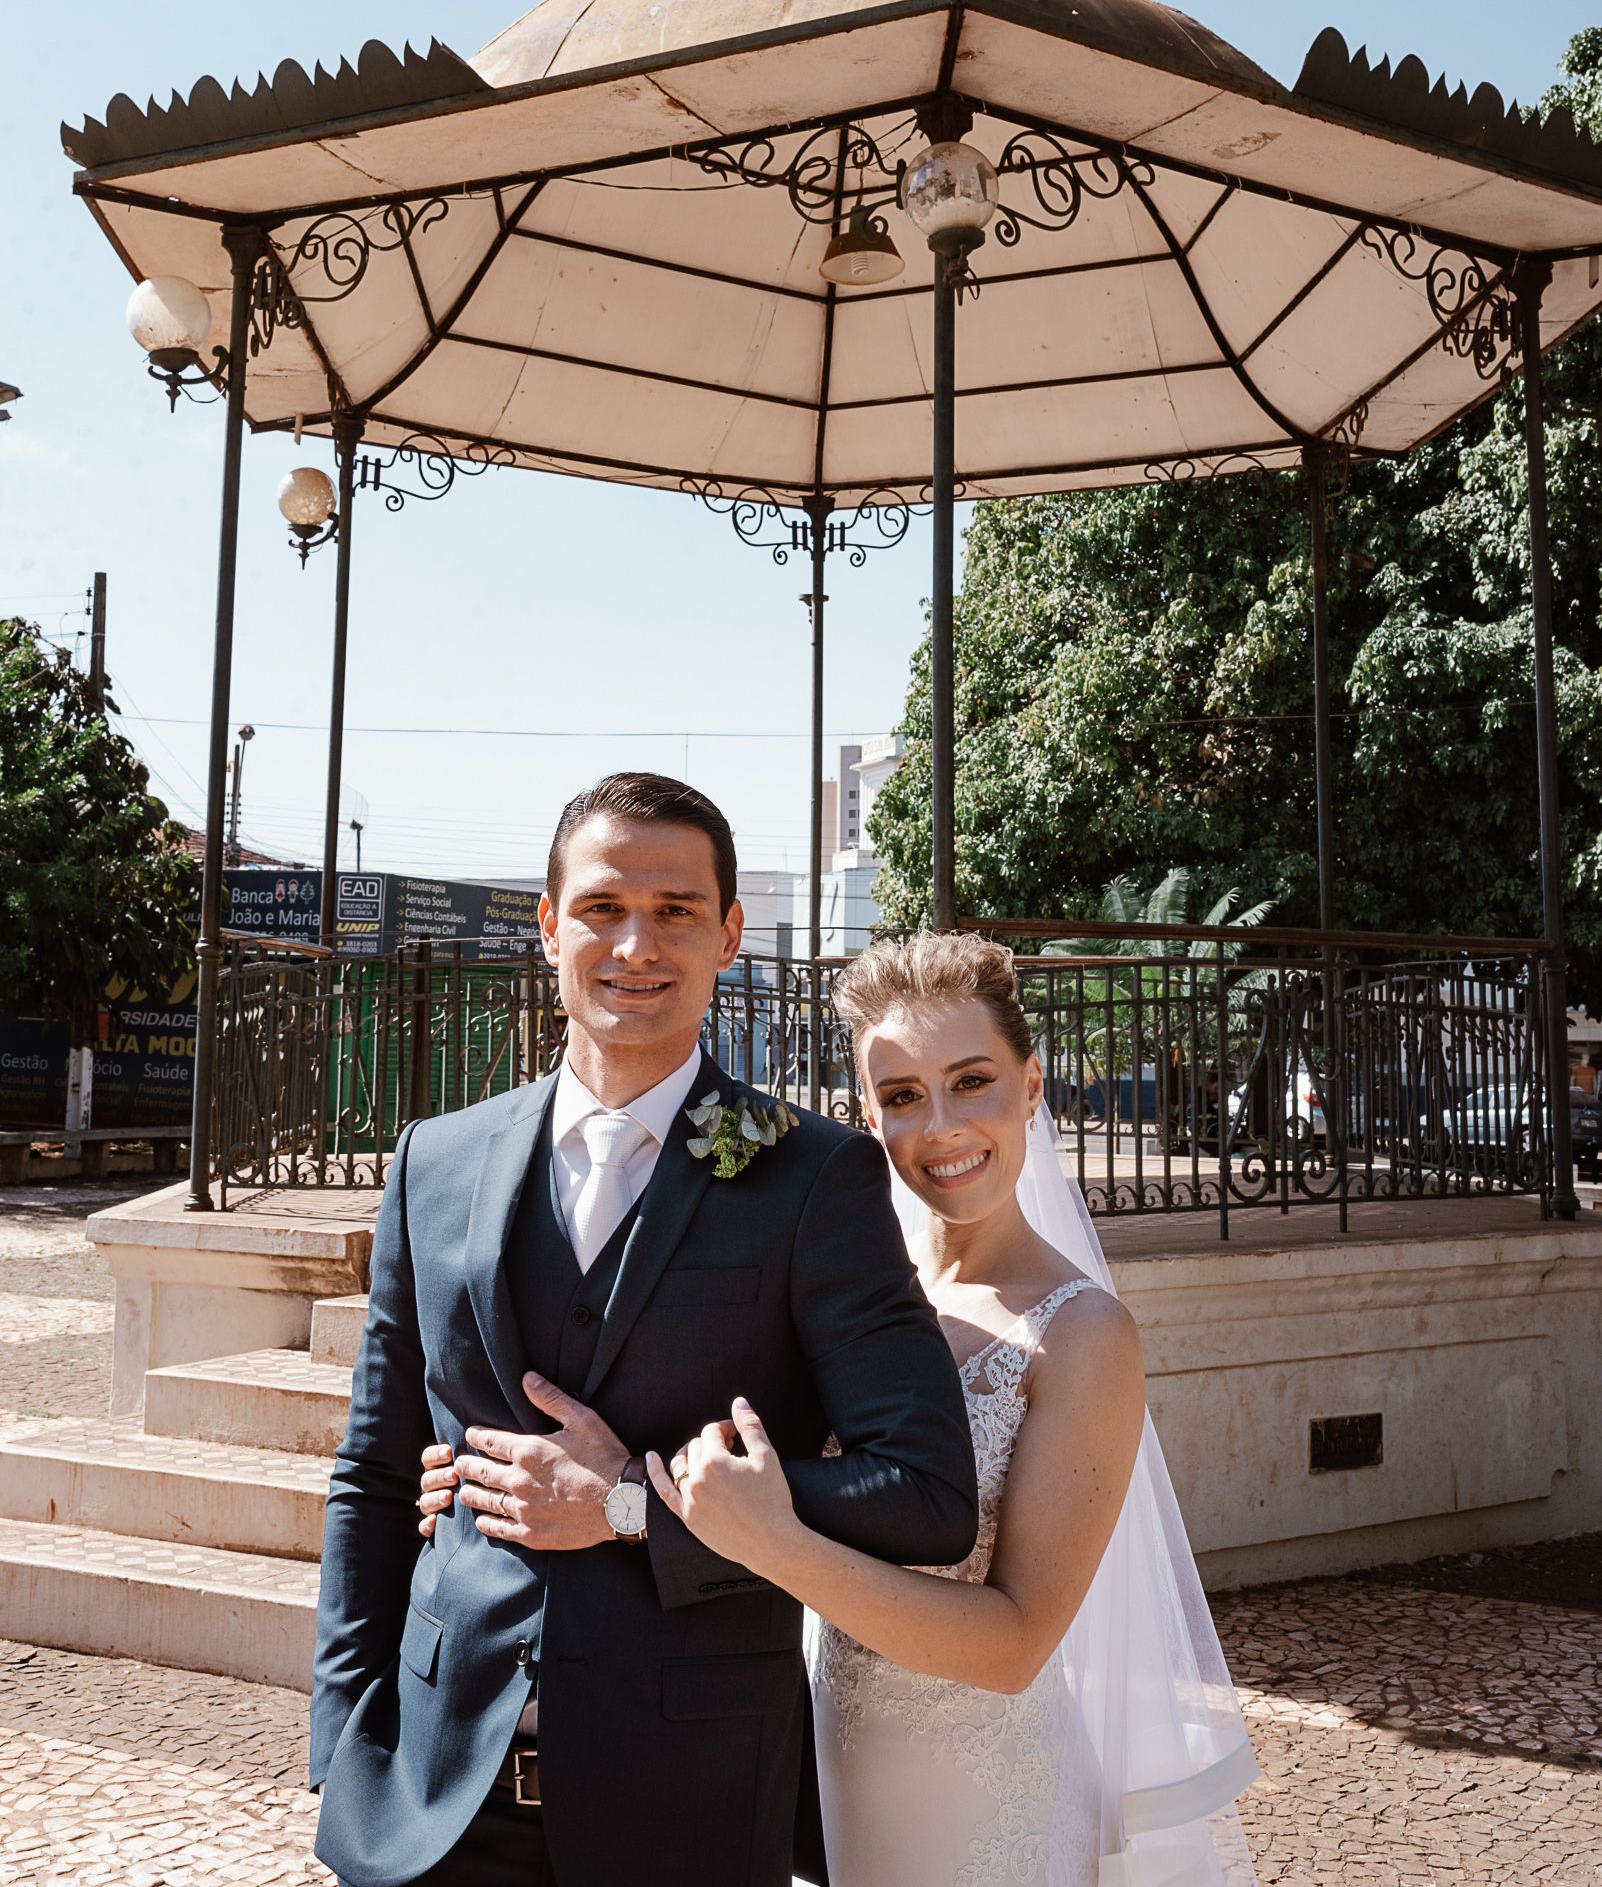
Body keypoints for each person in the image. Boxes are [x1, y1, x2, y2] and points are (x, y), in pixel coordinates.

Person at [421, 930, 1259, 1885]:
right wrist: (485, 1470)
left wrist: (762, 1540)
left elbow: (1016, 1643)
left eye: (973, 1080)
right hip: (807, 1769)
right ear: (868, 1113)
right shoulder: (837, 1290)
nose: (940, 1125)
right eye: (902, 1096)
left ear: (1033, 1086)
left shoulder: (1085, 1335)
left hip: (978, 1806)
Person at [312, 775, 978, 1887]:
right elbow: (374, 1476)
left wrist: (631, 1505)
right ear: (548, 925)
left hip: (691, 1799)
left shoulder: (814, 1176)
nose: (635, 944)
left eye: (675, 911)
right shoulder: (436, 1160)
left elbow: (927, 1493)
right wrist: (341, 1742)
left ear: (727, 935)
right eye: (603, 906)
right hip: (429, 1801)